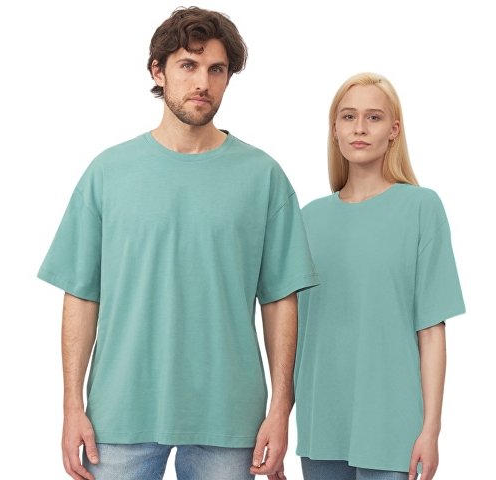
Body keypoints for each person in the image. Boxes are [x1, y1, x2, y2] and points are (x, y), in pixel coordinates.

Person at [38, 7, 318, 480]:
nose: (203, 82)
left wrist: (280, 409)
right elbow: (81, 295)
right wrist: (71, 406)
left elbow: (279, 301)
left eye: (217, 69)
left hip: (229, 419)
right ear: (158, 71)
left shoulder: (263, 177)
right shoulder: (108, 173)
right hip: (118, 415)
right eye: (188, 65)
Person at [294, 72, 465, 480]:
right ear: (334, 129)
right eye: (348, 116)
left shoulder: (422, 208)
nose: (359, 128)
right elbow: (293, 331)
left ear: (394, 130)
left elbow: (431, 330)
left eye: (373, 117)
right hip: (320, 423)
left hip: (393, 426)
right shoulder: (308, 219)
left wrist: (431, 429)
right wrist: (280, 418)